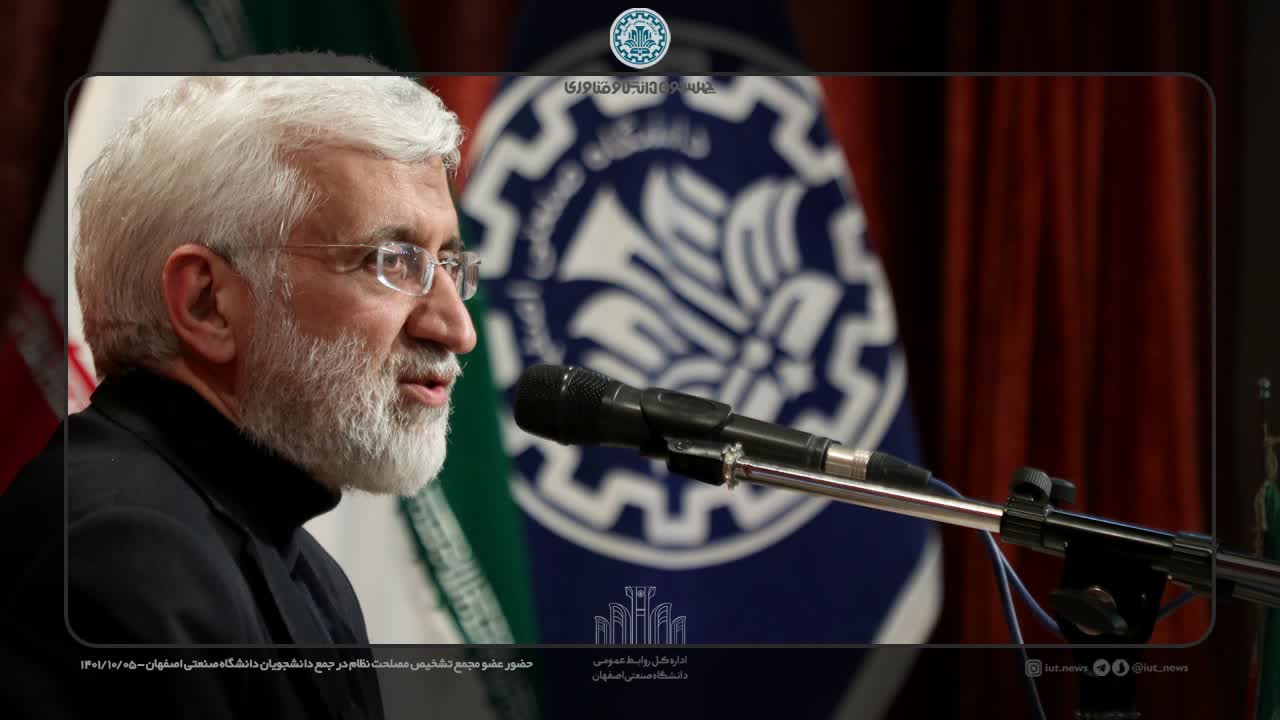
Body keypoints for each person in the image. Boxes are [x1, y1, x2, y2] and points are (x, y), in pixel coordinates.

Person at [0, 57, 479, 720]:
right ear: (207, 303)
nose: (457, 328)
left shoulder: (301, 567)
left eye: (449, 263)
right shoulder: (122, 556)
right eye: (393, 261)